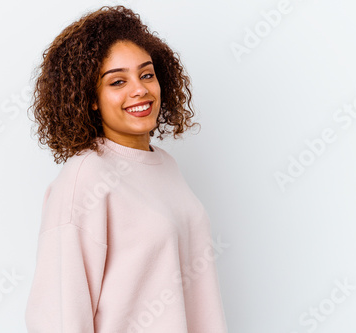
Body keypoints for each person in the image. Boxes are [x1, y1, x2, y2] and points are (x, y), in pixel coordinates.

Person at [25, 5, 228, 333]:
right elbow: (58, 315)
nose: (140, 89)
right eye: (117, 81)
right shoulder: (85, 177)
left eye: (146, 74)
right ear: (91, 97)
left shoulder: (166, 166)